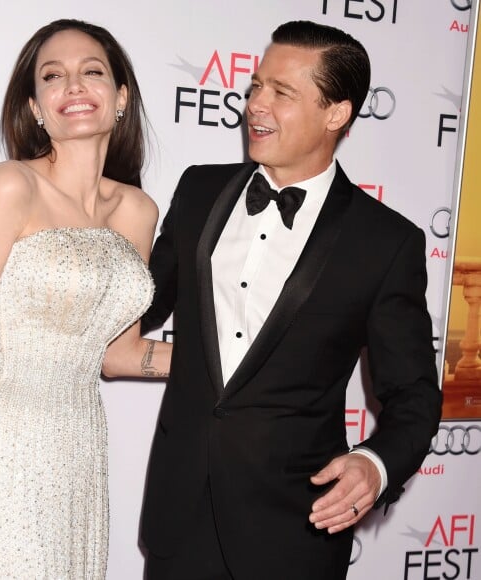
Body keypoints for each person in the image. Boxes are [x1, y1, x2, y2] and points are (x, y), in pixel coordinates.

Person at [140, 20, 442, 580]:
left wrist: (375, 465)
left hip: (295, 531)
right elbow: (142, 304)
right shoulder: (199, 189)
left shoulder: (385, 242)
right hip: (179, 519)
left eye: (282, 92)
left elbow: (414, 397)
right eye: (256, 86)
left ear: (337, 114)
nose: (256, 104)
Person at [0, 18, 170, 580]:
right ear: (36, 107)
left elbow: (116, 354)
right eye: (53, 76)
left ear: (121, 97)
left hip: (81, 453)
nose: (74, 87)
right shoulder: (11, 185)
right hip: (2, 450)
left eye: (92, 72)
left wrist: (222, 363)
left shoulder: (138, 212)